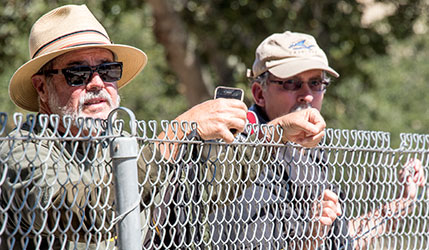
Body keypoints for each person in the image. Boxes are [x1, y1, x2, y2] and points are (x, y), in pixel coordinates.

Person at [0, 6, 326, 250]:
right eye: (77, 73)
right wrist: (177, 133)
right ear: (41, 87)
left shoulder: (119, 143)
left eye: (108, 70)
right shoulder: (20, 151)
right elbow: (84, 213)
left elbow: (203, 190)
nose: (97, 83)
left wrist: (275, 134)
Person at [210, 31, 426, 249]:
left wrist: (403, 202)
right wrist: (311, 239)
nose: (308, 95)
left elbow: (342, 241)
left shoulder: (311, 150)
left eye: (316, 83)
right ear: (259, 94)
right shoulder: (237, 154)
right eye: (291, 83)